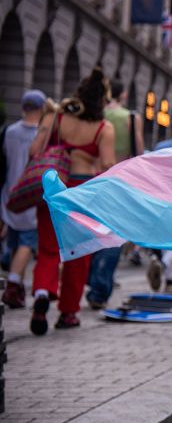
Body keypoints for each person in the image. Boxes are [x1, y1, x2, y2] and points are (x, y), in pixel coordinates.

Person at [30, 68, 116, 334]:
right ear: (102, 101)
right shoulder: (104, 128)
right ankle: (68, 313)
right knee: (78, 254)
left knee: (47, 249)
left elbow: (35, 151)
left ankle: (42, 294)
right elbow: (108, 167)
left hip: (53, 187)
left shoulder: (58, 117)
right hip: (82, 191)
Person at [84, 80, 141, 309]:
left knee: (90, 230)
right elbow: (138, 152)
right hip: (119, 180)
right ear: (124, 95)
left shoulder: (95, 114)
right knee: (113, 234)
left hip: (92, 178)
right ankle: (100, 288)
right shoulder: (131, 118)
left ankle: (89, 278)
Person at [0, 90, 45, 308]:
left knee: (16, 243)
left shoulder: (8, 131)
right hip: (31, 196)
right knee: (28, 242)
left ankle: (17, 288)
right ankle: (14, 283)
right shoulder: (42, 134)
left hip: (10, 193)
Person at [145, 120, 172, 292]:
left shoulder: (160, 146)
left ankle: (170, 279)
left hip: (162, 194)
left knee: (166, 236)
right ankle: (165, 267)